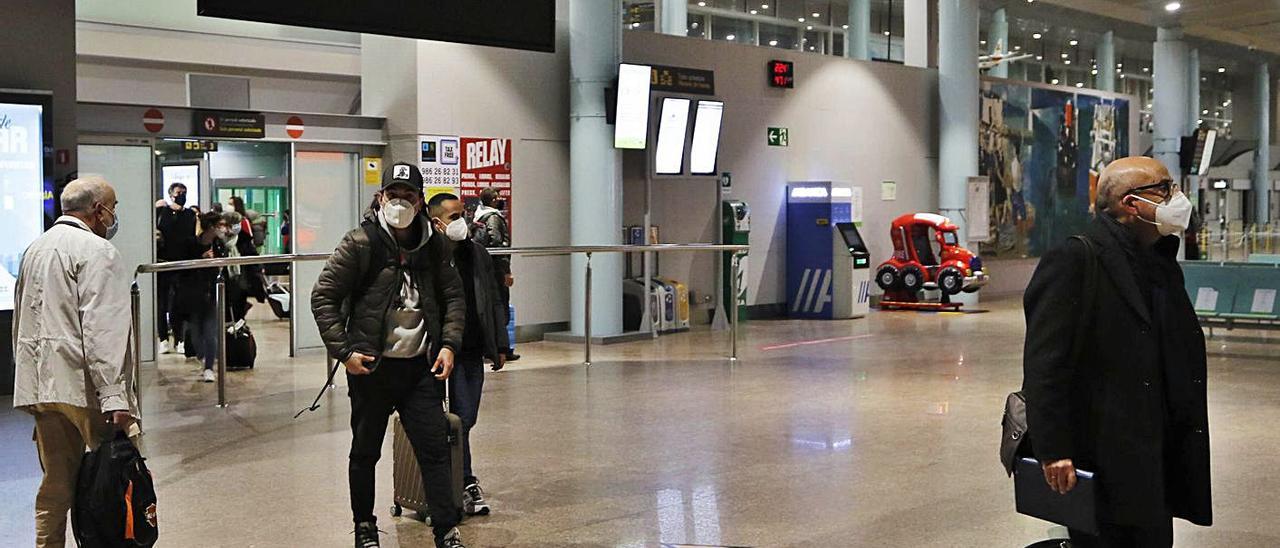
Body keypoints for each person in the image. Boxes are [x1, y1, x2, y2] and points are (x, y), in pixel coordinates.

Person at [1022, 156, 1212, 547]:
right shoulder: (1077, 258)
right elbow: (1045, 365)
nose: (1176, 197)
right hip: (1103, 451)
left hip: (1155, 449)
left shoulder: (1159, 261)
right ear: (1130, 203)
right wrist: (1054, 450)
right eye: (1164, 188)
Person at [311, 163, 469, 548]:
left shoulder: (435, 246)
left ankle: (445, 529)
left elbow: (453, 298)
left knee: (434, 450)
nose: (400, 201)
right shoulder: (359, 244)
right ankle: (365, 527)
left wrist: (448, 345)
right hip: (371, 368)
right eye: (393, 194)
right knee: (365, 452)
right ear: (381, 197)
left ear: (420, 202)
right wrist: (345, 353)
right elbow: (324, 297)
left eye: (408, 195)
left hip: (419, 368)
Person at [13, 176, 141, 547]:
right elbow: (104, 328)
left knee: (56, 484)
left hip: (42, 386)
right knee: (113, 479)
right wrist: (115, 397)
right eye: (113, 208)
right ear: (98, 210)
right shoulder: (97, 251)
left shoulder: (35, 248)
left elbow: (21, 318)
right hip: (83, 388)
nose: (113, 216)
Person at [428, 192, 511, 517]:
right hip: (435, 352)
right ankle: (447, 486)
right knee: (434, 422)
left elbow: (493, 298)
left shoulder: (476, 253)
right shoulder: (426, 257)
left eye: (462, 214)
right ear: (436, 222)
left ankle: (463, 481)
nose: (461, 222)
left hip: (470, 349)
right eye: (453, 217)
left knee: (464, 420)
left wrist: (500, 344)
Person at [173, 212, 230, 383]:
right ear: (211, 226)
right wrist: (201, 259)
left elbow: (224, 268)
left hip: (212, 293)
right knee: (196, 331)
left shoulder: (219, 245)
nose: (223, 228)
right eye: (219, 225)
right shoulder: (191, 244)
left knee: (210, 331)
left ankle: (209, 367)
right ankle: (202, 357)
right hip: (192, 295)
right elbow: (182, 268)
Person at [472, 187, 517, 361]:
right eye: (497, 197)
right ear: (492, 200)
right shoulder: (494, 218)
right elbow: (499, 244)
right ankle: (501, 347)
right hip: (495, 269)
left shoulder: (478, 215)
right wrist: (506, 271)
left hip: (486, 268)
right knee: (499, 305)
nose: (500, 200)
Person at [155, 182, 197, 354]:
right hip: (163, 261)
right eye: (179, 192)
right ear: (171, 193)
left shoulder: (189, 214)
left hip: (183, 262)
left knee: (178, 304)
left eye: (184, 192)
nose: (182, 195)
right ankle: (163, 338)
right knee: (162, 302)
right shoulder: (162, 211)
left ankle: (179, 338)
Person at [221, 210, 266, 320]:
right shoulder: (219, 241)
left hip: (241, 282)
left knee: (238, 311)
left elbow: (253, 259)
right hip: (225, 283)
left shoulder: (244, 239)